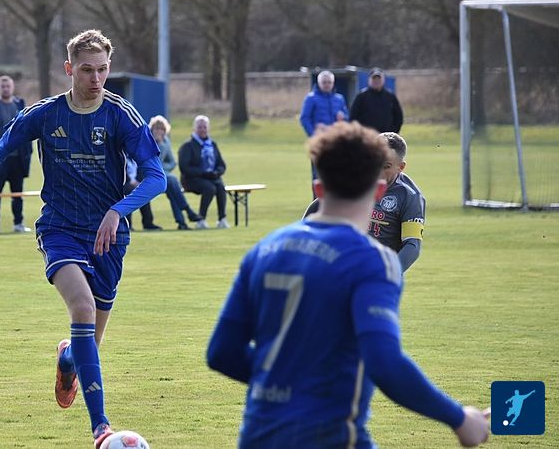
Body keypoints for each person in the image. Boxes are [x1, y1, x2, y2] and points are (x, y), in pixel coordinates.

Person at [207, 121, 489, 448]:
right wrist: (459, 418)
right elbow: (385, 363)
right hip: (329, 437)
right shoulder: (373, 262)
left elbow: (221, 352)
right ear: (379, 191)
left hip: (256, 436)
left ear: (318, 189)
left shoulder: (264, 250)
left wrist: (283, 382)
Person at [0, 30, 165, 447]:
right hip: (60, 229)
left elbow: (157, 178)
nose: (95, 79)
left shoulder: (121, 115)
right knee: (82, 308)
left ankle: (67, 358)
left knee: (88, 347)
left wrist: (117, 211)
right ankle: (101, 429)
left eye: (102, 70)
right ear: (69, 69)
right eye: (86, 70)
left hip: (108, 237)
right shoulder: (46, 114)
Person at [304, 131, 425, 272]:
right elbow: (320, 204)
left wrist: (388, 273)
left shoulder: (410, 196)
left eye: (386, 166)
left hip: (375, 270)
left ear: (401, 167)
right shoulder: (356, 179)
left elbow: (412, 246)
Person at [0, 75, 33, 234]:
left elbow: (28, 128)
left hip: (18, 157)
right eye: (2, 86)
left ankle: (18, 223)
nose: (5, 89)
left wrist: (27, 151)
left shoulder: (20, 104)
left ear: (12, 87)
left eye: (8, 86)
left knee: (17, 193)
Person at [149, 115, 201, 230]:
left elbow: (172, 163)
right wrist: (159, 145)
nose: (159, 131)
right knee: (172, 180)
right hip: (149, 175)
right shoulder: (149, 142)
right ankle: (187, 210)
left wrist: (162, 168)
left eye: (162, 129)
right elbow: (153, 163)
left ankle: (182, 223)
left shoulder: (166, 141)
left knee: (173, 189)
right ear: (152, 129)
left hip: (163, 176)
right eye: (156, 129)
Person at [300, 70, 348, 194]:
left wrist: (343, 118)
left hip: (336, 143)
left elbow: (347, 117)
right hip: (319, 144)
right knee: (319, 176)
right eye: (324, 82)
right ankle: (317, 203)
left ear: (333, 83)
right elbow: (304, 118)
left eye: (329, 82)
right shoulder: (311, 98)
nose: (327, 85)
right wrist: (314, 135)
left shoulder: (339, 99)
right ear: (319, 83)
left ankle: (335, 201)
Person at [178, 115, 229, 229]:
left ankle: (222, 219)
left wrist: (217, 172)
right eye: (200, 127)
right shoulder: (188, 146)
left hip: (211, 178)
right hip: (191, 179)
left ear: (208, 128)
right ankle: (201, 219)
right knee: (210, 188)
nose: (202, 130)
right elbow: (184, 167)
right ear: (194, 128)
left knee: (220, 187)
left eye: (204, 127)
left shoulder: (212, 144)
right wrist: (202, 173)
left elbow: (221, 164)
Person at [350, 68, 404, 134]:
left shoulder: (390, 97)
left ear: (383, 79)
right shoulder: (361, 97)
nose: (376, 81)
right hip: (367, 137)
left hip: (386, 136)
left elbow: (398, 116)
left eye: (379, 79)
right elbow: (353, 117)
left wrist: (394, 132)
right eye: (374, 79)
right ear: (369, 80)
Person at [123, 157, 160, 231]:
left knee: (144, 192)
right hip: (125, 184)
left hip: (137, 183)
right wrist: (130, 181)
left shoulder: (137, 160)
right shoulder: (121, 158)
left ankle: (148, 223)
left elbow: (141, 173)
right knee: (129, 192)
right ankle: (127, 224)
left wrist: (139, 182)